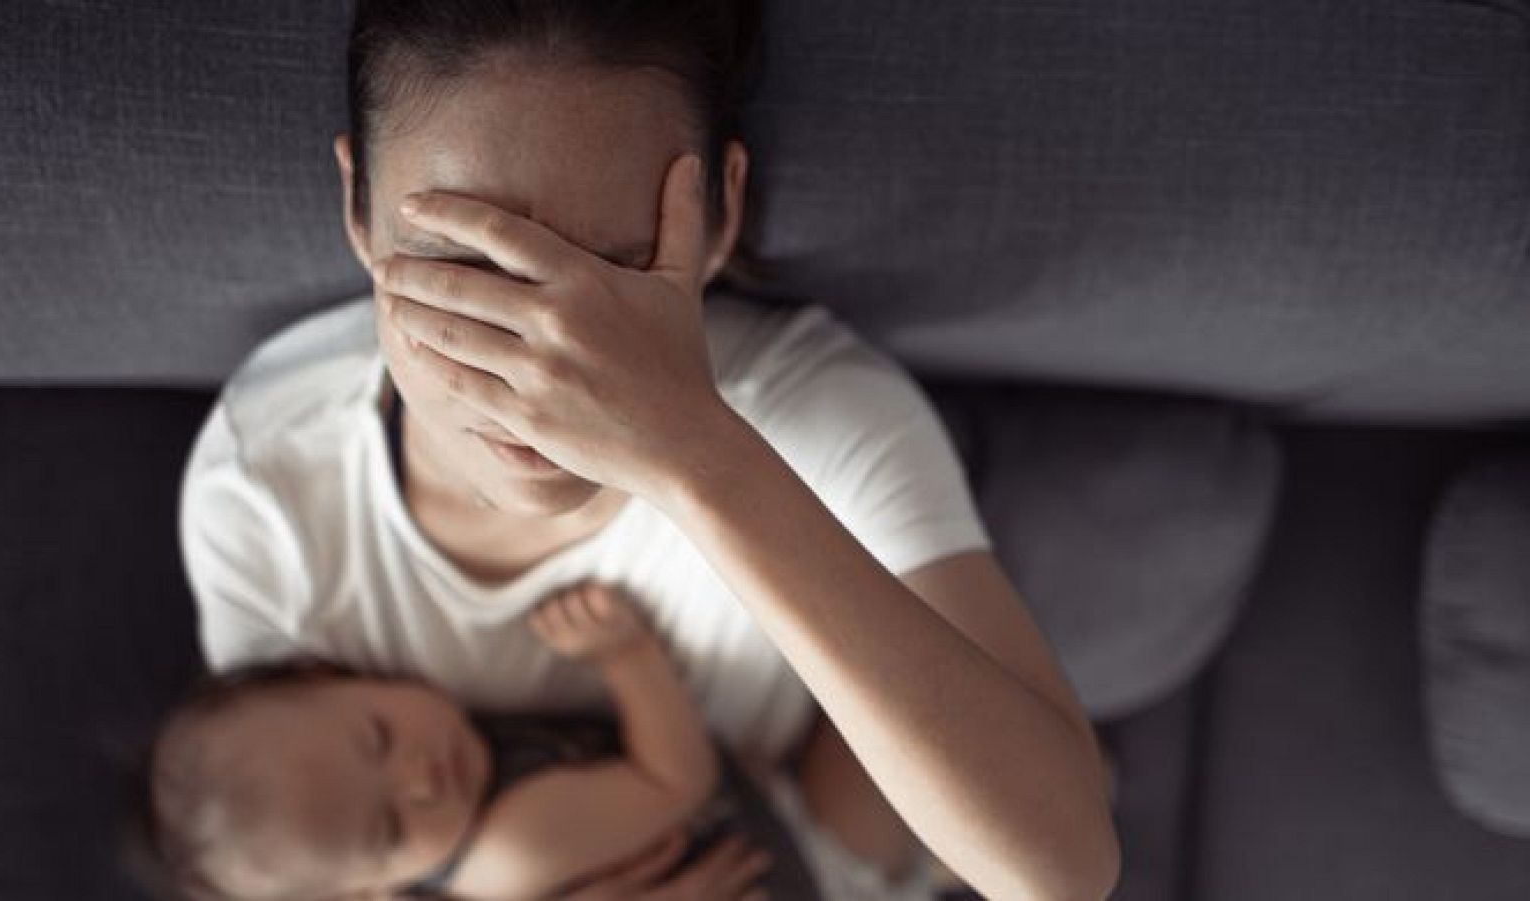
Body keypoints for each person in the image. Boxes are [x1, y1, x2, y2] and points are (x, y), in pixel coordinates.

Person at [180, 1, 1120, 897]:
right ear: (357, 207)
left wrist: (694, 453)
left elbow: (1058, 873)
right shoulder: (267, 487)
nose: (542, 367)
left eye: (617, 272)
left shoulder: (812, 416)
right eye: (461, 277)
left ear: (719, 217)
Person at [137, 582, 824, 900]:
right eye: (389, 827)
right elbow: (677, 780)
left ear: (332, 673)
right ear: (371, 890)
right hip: (805, 864)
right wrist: (627, 655)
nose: (422, 781)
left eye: (377, 738)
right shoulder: (511, 848)